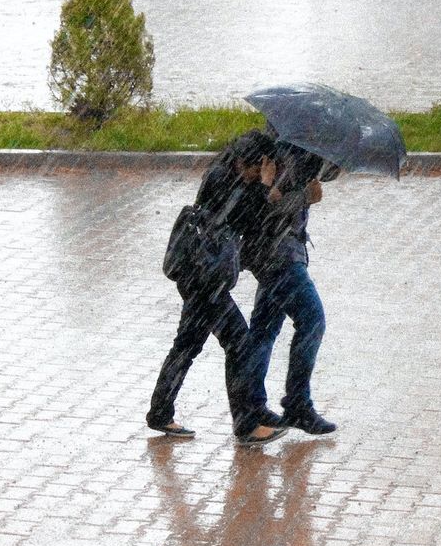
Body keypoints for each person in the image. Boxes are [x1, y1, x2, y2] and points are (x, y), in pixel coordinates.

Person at [146, 131, 291, 446]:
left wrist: (266, 191)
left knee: (187, 344)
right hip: (203, 279)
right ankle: (246, 425)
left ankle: (160, 412)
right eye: (262, 167)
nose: (263, 173)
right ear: (247, 162)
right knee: (238, 342)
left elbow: (250, 219)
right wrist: (265, 190)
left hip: (199, 275)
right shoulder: (223, 178)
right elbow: (249, 219)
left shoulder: (231, 176)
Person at [239, 141, 340, 436]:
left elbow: (326, 173)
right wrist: (305, 197)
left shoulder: (303, 149)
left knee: (264, 329)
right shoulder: (282, 153)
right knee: (312, 319)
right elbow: (266, 209)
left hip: (278, 253)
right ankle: (296, 403)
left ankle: (252, 407)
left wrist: (336, 157)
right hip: (278, 256)